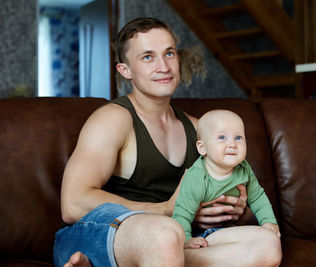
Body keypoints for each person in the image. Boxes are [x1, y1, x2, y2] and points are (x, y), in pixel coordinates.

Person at [53, 17, 282, 267]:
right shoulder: (113, 119)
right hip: (103, 233)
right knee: (165, 235)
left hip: (177, 237)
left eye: (169, 53)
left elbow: (242, 193)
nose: (164, 66)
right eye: (148, 57)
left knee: (267, 244)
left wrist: (238, 209)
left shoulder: (198, 129)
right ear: (125, 70)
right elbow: (72, 203)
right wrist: (166, 208)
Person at [172, 110, 281, 249]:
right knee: (262, 243)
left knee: (268, 241)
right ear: (202, 147)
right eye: (222, 137)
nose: (233, 144)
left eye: (238, 138)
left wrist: (269, 222)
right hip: (201, 235)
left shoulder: (243, 168)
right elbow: (182, 213)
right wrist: (186, 240)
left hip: (231, 228)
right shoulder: (198, 177)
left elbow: (258, 197)